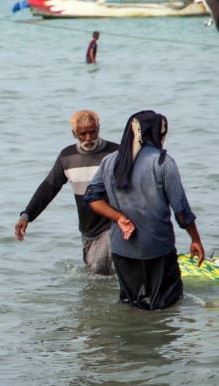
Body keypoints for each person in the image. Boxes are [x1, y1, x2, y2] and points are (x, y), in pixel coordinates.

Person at [84, 110, 204, 310]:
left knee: (131, 304)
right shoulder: (163, 162)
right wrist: (195, 240)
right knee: (165, 305)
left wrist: (119, 217)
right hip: (157, 250)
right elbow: (181, 211)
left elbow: (91, 198)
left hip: (122, 251)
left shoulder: (110, 161)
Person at [14, 110, 119, 275]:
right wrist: (27, 215)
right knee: (95, 273)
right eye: (82, 134)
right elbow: (49, 187)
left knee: (98, 270)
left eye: (92, 132)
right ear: (74, 134)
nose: (89, 138)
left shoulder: (115, 154)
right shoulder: (67, 157)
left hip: (112, 224)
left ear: (98, 129)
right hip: (87, 229)